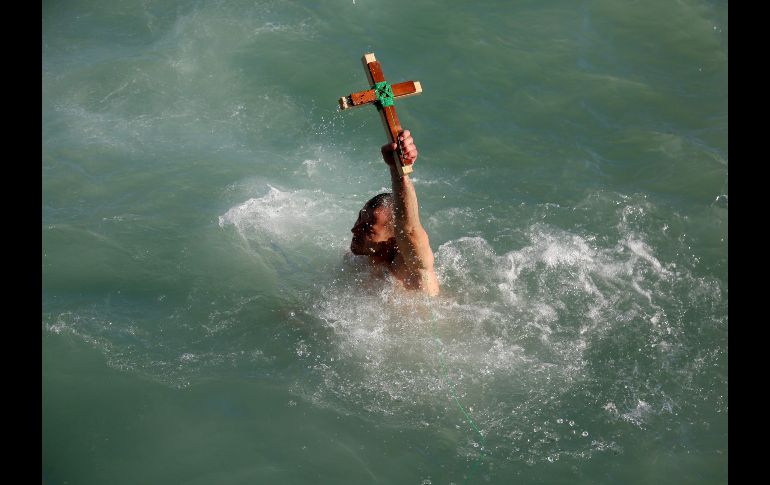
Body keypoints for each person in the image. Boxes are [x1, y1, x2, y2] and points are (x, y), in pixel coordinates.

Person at [349, 130, 440, 296]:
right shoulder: (361, 258)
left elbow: (410, 231)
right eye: (359, 219)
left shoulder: (410, 271)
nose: (354, 230)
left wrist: (398, 171)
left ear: (393, 240)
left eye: (368, 228)